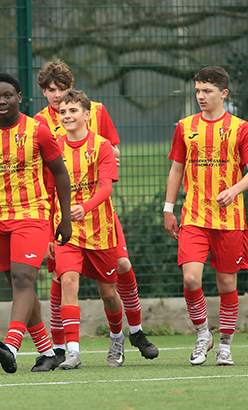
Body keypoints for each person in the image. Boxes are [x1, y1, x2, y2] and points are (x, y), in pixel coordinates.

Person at [33, 59, 159, 368]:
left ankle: (134, 331)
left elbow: (112, 154)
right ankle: (65, 350)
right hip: (65, 218)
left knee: (120, 270)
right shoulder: (39, 124)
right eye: (50, 91)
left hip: (100, 216)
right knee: (65, 280)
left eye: (61, 90)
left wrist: (108, 157)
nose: (56, 97)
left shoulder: (97, 111)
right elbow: (44, 180)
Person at [0, 72, 71, 374]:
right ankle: (49, 352)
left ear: (20, 98)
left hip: (33, 216)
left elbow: (61, 174)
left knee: (24, 280)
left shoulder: (38, 131)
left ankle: (11, 346)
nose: (1, 101)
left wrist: (64, 218)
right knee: (18, 285)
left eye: (8, 95)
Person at [163, 66, 248, 366]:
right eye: (197, 91)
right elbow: (177, 168)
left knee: (227, 285)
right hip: (194, 216)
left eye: (207, 91)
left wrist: (233, 190)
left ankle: (226, 345)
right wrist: (168, 208)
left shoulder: (240, 128)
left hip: (230, 220)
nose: (201, 96)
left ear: (223, 93)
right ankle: (203, 334)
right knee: (191, 279)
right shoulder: (185, 126)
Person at [47, 90, 124, 369]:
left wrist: (86, 206)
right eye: (63, 112)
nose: (67, 116)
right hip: (67, 230)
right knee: (67, 281)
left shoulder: (101, 146)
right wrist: (49, 233)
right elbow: (48, 191)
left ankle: (117, 337)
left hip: (100, 229)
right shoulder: (54, 147)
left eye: (73, 111)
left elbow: (106, 185)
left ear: (87, 115)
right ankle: (73, 352)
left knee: (109, 294)